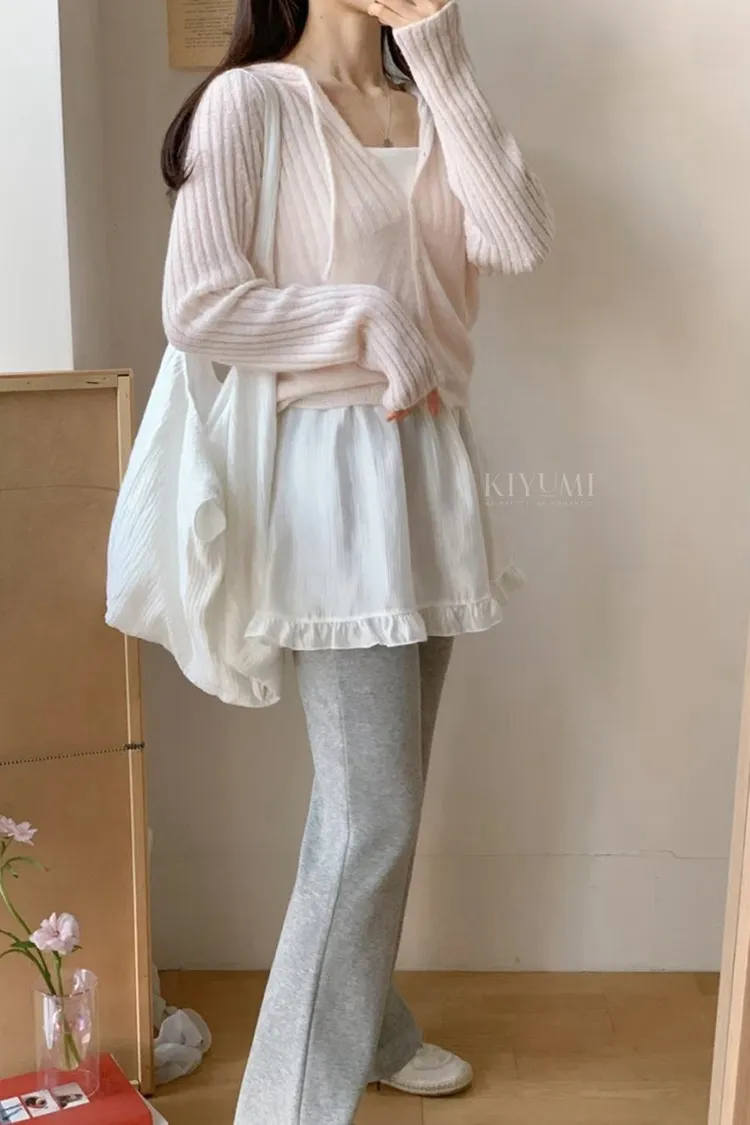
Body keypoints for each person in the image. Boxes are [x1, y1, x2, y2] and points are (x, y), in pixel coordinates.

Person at [160, 0, 553, 1122]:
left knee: (384, 798)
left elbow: (517, 241)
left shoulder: (430, 99)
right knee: (369, 810)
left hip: (430, 466)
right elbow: (198, 304)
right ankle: (288, 1103)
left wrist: (440, 53)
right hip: (332, 476)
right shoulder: (251, 103)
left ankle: (374, 1025)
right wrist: (363, 317)